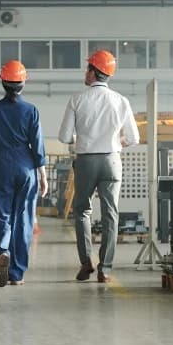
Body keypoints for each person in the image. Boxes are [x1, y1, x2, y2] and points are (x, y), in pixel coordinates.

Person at [58, 49, 139, 284]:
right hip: (112, 160)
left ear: (94, 72)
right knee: (110, 215)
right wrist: (115, 142)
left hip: (86, 161)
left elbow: (64, 137)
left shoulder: (77, 99)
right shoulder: (121, 100)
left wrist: (83, 138)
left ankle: (86, 263)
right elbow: (133, 138)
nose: (86, 72)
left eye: (88, 68)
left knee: (82, 211)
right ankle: (106, 268)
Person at [0, 60, 48, 288]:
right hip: (26, 166)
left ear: (3, 81)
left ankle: (1, 252)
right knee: (24, 220)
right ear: (23, 82)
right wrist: (43, 175)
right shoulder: (31, 111)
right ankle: (16, 274)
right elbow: (37, 146)